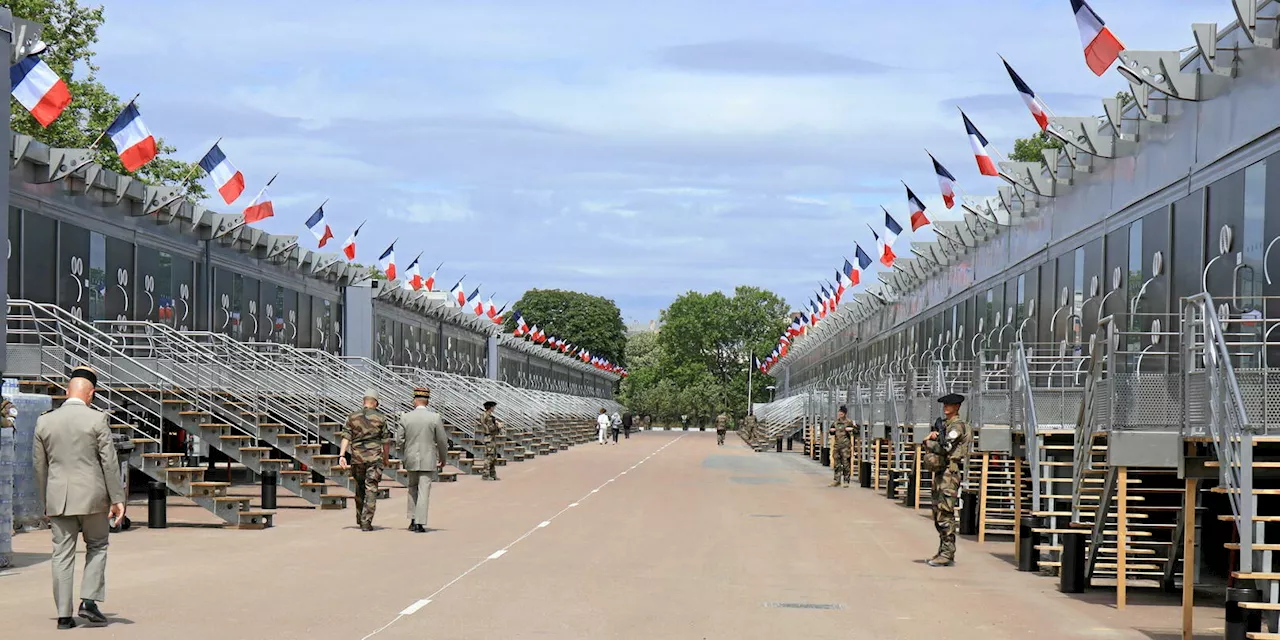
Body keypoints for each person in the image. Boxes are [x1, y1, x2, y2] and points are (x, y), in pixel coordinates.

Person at [32, 366, 125, 629]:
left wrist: (45, 501)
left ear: (66, 391)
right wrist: (117, 498)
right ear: (91, 394)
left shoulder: (44, 421)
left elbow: (39, 467)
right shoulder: (97, 419)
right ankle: (89, 601)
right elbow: (109, 463)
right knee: (97, 546)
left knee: (62, 554)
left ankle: (63, 615)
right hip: (94, 498)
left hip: (59, 499)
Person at [921, 393, 972, 567]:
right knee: (937, 513)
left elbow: (945, 447)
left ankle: (947, 553)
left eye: (949, 405)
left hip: (950, 474)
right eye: (945, 404)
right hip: (941, 473)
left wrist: (928, 441)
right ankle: (943, 551)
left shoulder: (958, 426)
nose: (946, 407)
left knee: (945, 513)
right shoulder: (945, 424)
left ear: (957, 407)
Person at [337, 389, 390, 531]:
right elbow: (385, 441)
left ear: (363, 401)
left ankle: (360, 518)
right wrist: (386, 458)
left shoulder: (352, 417)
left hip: (357, 459)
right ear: (376, 403)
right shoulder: (381, 418)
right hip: (374, 458)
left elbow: (346, 436)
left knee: (360, 488)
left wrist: (342, 455)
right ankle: (366, 521)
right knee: (371, 488)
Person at [400, 387, 449, 533]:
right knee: (424, 491)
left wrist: (405, 452)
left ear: (415, 400)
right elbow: (441, 441)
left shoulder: (405, 417)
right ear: (427, 401)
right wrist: (443, 457)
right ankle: (419, 523)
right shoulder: (435, 417)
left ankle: (412, 519)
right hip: (428, 458)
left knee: (412, 488)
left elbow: (399, 439)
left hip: (411, 458)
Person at [828, 406, 856, 487]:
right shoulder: (835, 423)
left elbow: (856, 431)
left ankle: (846, 481)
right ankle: (837, 480)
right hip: (837, 445)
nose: (840, 414)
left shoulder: (849, 422)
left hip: (845, 446)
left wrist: (851, 429)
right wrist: (831, 431)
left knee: (846, 463)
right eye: (839, 412)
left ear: (845, 413)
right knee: (836, 464)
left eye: (842, 413)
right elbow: (831, 432)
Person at [477, 401, 504, 480]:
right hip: (489, 438)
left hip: (490, 438)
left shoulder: (487, 416)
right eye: (493, 407)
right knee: (490, 457)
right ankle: (485, 475)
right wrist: (498, 426)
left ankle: (492, 474)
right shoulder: (488, 417)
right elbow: (491, 428)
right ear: (490, 407)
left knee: (493, 457)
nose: (494, 408)